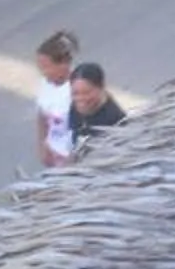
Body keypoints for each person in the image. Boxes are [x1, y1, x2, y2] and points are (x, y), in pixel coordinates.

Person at [32, 30, 77, 169]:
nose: (43, 73)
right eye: (41, 68)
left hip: (73, 159)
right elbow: (41, 116)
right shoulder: (45, 85)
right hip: (55, 157)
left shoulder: (79, 88)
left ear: (64, 64)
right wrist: (42, 146)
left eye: (46, 67)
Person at [69, 61, 129, 153]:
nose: (80, 99)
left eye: (86, 92)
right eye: (75, 93)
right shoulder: (76, 105)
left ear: (101, 87)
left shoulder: (116, 121)